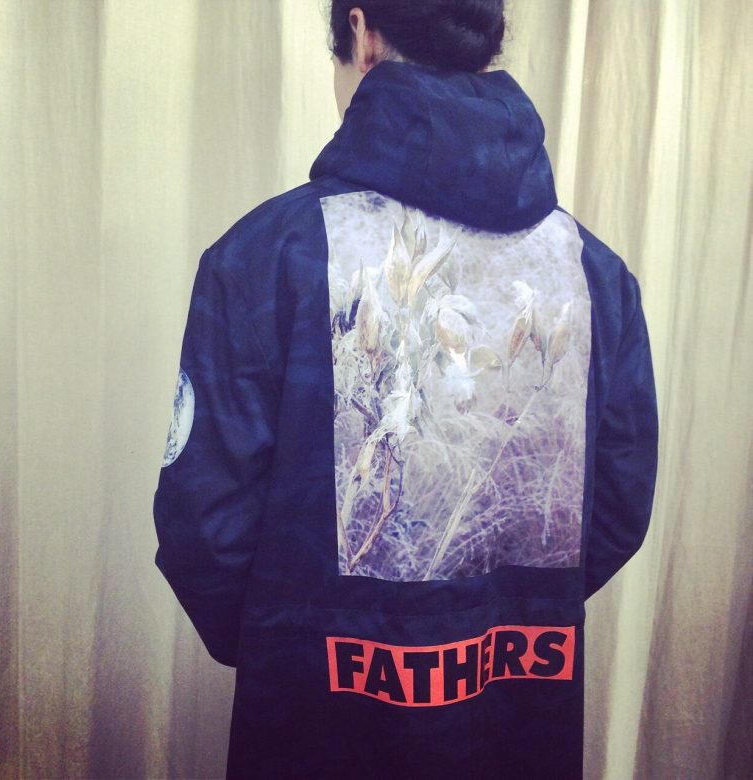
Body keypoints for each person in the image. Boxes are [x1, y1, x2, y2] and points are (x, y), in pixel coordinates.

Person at [153, 1, 658, 777]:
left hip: (313, 729)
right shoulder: (597, 275)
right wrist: (506, 619)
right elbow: (618, 506)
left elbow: (203, 525)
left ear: (360, 32)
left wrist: (288, 645)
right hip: (515, 724)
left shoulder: (266, 256)